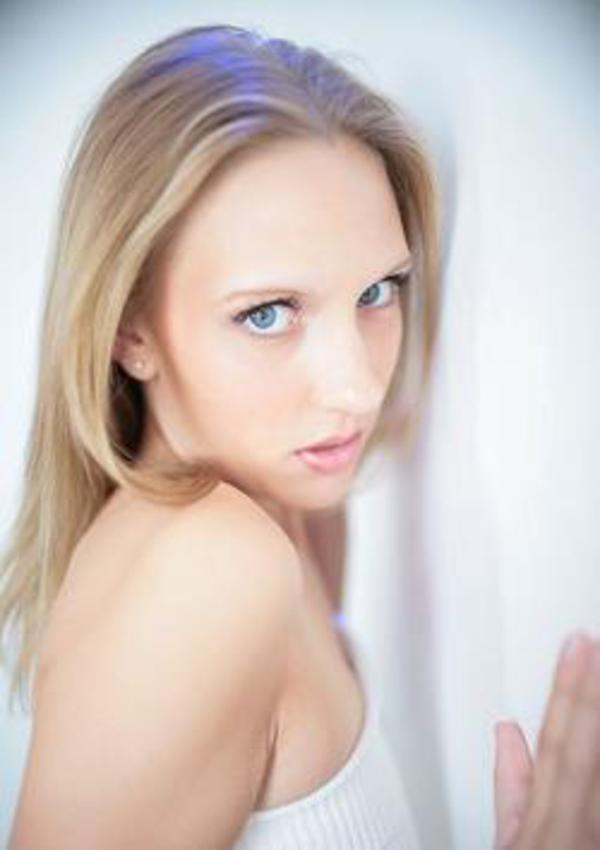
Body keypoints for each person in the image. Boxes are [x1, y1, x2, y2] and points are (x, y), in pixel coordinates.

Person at [1, 23, 598, 850]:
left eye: (378, 292)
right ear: (129, 329)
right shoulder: (213, 570)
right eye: (267, 314)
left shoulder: (298, 514)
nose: (357, 387)